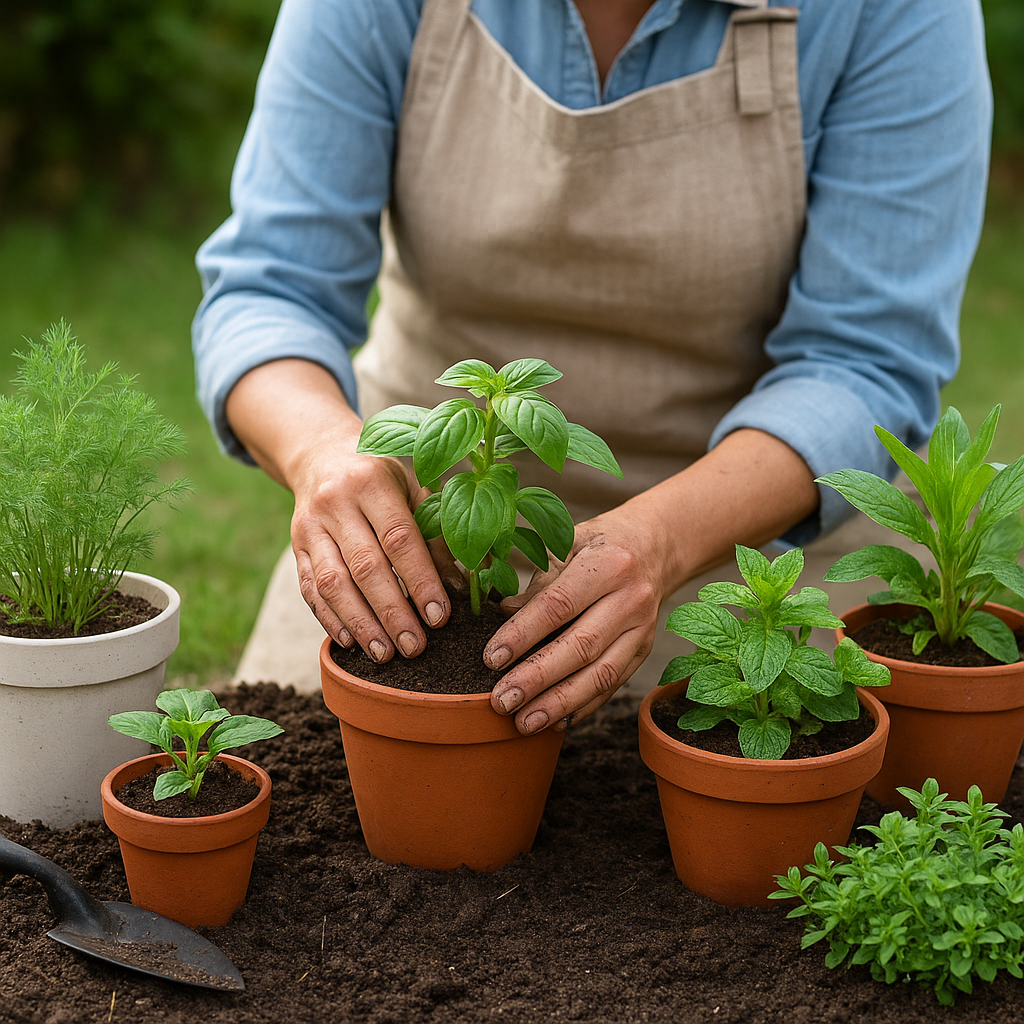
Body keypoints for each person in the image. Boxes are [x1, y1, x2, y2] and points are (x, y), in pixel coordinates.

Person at [193, 0, 991, 736]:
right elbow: (270, 285)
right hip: (422, 533)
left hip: (764, 543)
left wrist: (666, 539)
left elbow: (865, 360)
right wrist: (324, 453)